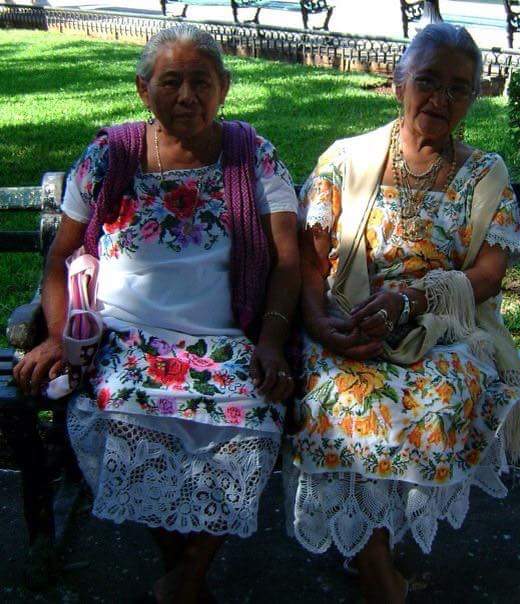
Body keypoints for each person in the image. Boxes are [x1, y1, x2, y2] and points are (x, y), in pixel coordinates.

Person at [13, 24, 300, 603]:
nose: (187, 96)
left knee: (253, 417)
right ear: (144, 89)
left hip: (224, 335)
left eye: (202, 81)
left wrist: (269, 341)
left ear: (225, 87)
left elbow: (289, 263)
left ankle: (181, 582)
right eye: (171, 82)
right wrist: (51, 334)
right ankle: (187, 580)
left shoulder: (253, 154)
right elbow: (62, 255)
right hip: (124, 335)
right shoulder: (110, 154)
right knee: (117, 413)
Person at [285, 23, 520, 603]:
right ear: (398, 82)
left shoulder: (483, 174)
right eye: (428, 82)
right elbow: (310, 258)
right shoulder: (347, 159)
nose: (441, 99)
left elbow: (490, 277)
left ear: (474, 96)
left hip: (445, 330)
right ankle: (377, 571)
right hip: (349, 321)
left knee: (440, 394)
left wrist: (414, 299)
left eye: (459, 88)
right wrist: (324, 327)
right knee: (330, 395)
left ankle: (375, 557)